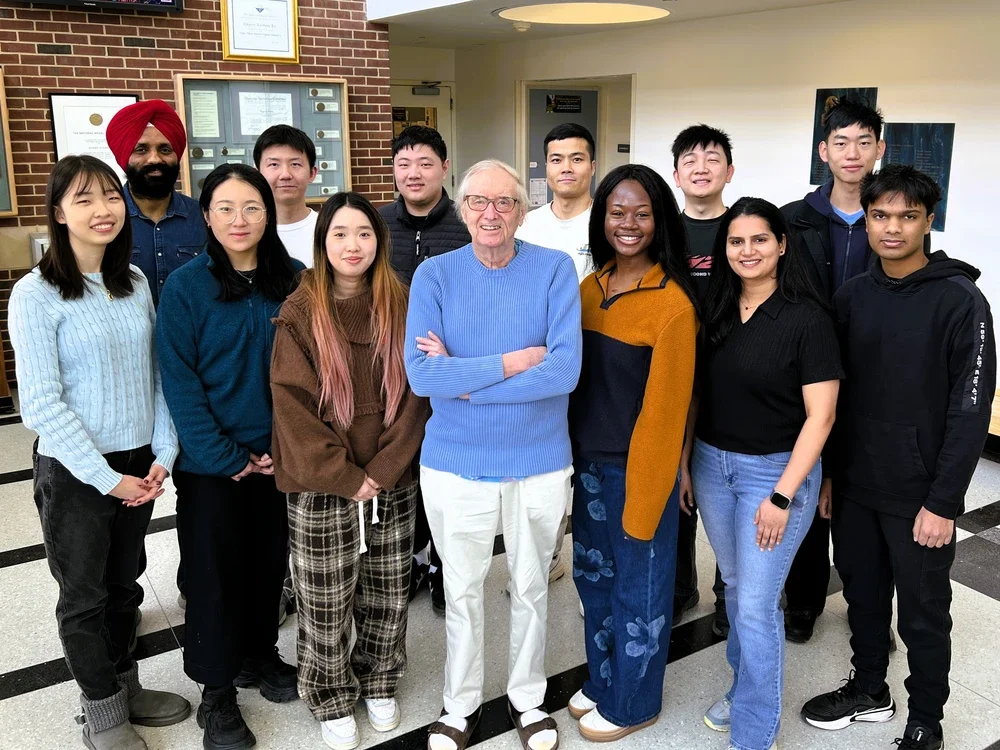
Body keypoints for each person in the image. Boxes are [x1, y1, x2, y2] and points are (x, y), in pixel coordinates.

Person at [801, 166, 996, 750]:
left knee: (923, 613)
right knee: (862, 596)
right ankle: (868, 688)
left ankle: (926, 720)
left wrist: (944, 503)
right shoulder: (853, 294)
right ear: (867, 218)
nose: (892, 229)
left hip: (920, 494)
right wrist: (832, 473)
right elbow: (835, 392)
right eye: (880, 216)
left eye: (907, 217)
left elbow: (971, 411)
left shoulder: (962, 301)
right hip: (858, 481)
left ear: (928, 221)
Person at [9, 155, 190, 750]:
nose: (102, 209)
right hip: (75, 471)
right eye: (83, 199)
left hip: (139, 462)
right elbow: (40, 405)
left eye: (110, 196)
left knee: (125, 585)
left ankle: (126, 684)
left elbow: (156, 378)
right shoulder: (35, 294)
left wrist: (163, 448)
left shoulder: (134, 283)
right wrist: (106, 477)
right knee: (84, 596)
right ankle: (102, 710)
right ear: (59, 214)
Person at [405, 159, 582, 750]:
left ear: (521, 210)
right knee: (462, 588)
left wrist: (465, 377)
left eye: (504, 202)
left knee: (532, 585)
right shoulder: (433, 276)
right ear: (461, 209)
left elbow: (565, 369)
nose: (490, 214)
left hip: (539, 459)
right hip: (456, 462)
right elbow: (422, 375)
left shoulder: (555, 271)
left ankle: (528, 699)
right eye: (478, 202)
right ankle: (459, 706)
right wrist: (511, 362)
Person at [271, 191, 429, 750]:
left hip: (391, 479)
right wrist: (345, 476)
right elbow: (291, 402)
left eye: (363, 233)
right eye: (339, 233)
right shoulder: (299, 309)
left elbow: (417, 394)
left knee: (388, 593)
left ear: (379, 241)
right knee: (324, 600)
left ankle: (380, 678)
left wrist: (383, 469)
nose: (352, 245)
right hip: (321, 482)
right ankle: (331, 693)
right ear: (322, 242)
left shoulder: (404, 301)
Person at [156, 163, 304, 750]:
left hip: (280, 457)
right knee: (214, 576)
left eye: (251, 207)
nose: (238, 220)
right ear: (207, 216)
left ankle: (260, 657)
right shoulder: (186, 287)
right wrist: (225, 455)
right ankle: (216, 693)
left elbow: (308, 374)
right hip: (209, 466)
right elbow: (180, 383)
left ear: (268, 214)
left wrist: (277, 447)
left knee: (269, 565)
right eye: (224, 208)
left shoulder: (293, 280)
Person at [692, 197, 842, 750]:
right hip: (711, 465)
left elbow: (821, 416)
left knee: (755, 604)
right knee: (734, 588)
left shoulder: (807, 318)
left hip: (776, 474)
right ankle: (742, 687)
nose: (747, 250)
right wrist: (688, 466)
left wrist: (781, 497)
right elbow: (702, 394)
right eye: (736, 241)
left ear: (782, 244)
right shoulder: (718, 306)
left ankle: (755, 732)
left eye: (759, 240)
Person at [566, 164, 697, 741]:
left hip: (637, 470)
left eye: (642, 213)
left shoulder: (673, 306)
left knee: (638, 591)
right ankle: (603, 679)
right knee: (593, 581)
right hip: (588, 467)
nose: (628, 223)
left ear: (659, 220)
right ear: (601, 218)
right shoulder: (589, 288)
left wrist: (647, 498)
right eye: (617, 212)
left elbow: (666, 419)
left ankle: (635, 701)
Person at [779, 96, 885, 643]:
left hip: (872, 376)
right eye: (841, 142)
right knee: (803, 483)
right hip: (807, 370)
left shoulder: (890, 214)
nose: (852, 153)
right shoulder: (796, 218)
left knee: (860, 497)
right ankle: (803, 601)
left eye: (863, 142)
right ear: (824, 152)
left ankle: (870, 608)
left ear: (879, 150)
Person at [381, 125, 470, 615]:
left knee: (442, 475)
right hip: (388, 375)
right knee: (402, 471)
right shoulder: (375, 223)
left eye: (425, 164)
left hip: (447, 375)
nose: (413, 174)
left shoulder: (464, 227)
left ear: (443, 168)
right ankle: (412, 561)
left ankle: (443, 566)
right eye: (403, 164)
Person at [671, 124, 735, 636]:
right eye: (689, 159)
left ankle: (728, 594)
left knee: (729, 492)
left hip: (734, 375)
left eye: (712, 158)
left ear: (728, 171)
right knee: (680, 482)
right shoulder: (665, 231)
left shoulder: (744, 227)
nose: (701, 167)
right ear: (676, 174)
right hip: (676, 372)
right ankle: (679, 587)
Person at [105, 99, 207, 307]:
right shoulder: (104, 218)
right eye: (141, 150)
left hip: (190, 338)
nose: (154, 159)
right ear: (125, 157)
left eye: (165, 150)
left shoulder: (203, 216)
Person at [517, 122, 597, 282]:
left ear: (592, 167)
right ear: (547, 167)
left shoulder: (605, 224)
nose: (566, 168)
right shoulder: (526, 225)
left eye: (577, 159)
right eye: (556, 160)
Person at [254, 123, 320, 268]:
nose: (285, 175)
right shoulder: (246, 232)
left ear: (312, 173)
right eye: (274, 165)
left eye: (295, 164)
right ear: (258, 173)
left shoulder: (329, 228)